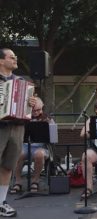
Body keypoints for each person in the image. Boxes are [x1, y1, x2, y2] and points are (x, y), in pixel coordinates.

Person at [0, 48, 43, 217]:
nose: (15, 59)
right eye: (11, 57)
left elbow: (32, 105)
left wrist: (32, 102)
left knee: (7, 166)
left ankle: (2, 202)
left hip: (17, 127)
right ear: (1, 61)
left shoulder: (21, 81)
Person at [10, 97, 52, 194]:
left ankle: (35, 181)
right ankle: (18, 181)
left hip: (41, 146)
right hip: (25, 145)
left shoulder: (47, 118)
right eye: (34, 110)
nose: (36, 112)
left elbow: (53, 139)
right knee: (18, 153)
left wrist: (50, 126)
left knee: (39, 154)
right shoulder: (23, 118)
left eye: (39, 110)